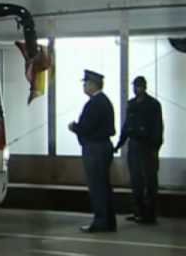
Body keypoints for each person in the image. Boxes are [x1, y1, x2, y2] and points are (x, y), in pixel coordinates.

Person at [68, 70, 116, 233]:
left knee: (97, 186)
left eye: (85, 83)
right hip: (103, 146)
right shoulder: (104, 101)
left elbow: (87, 128)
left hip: (95, 148)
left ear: (93, 85)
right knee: (104, 185)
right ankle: (109, 221)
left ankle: (101, 222)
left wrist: (74, 127)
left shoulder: (95, 103)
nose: (84, 86)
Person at [114, 76, 163, 224]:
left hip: (148, 146)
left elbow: (158, 127)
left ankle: (150, 214)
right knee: (136, 181)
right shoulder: (132, 104)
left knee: (150, 181)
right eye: (135, 86)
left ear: (145, 87)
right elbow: (127, 126)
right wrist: (119, 144)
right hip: (134, 146)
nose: (137, 89)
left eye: (140, 86)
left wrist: (155, 147)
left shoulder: (153, 104)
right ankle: (138, 212)